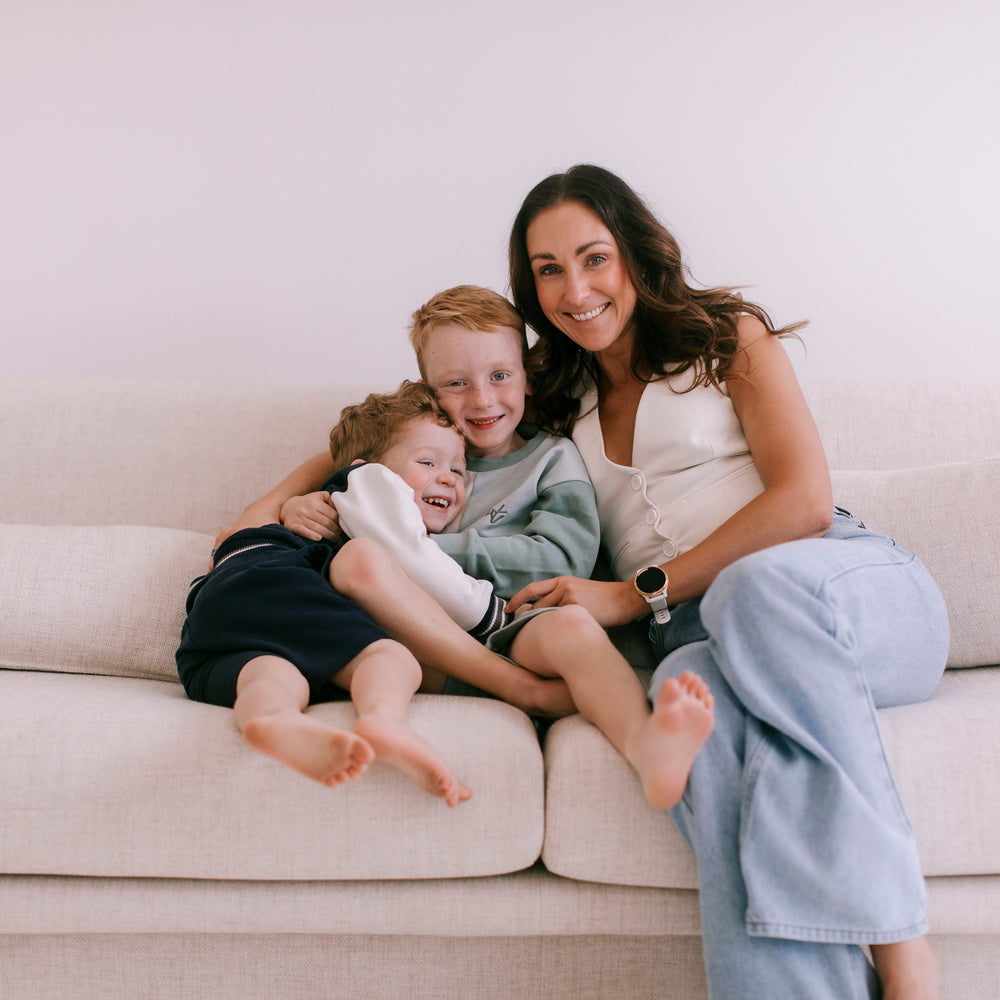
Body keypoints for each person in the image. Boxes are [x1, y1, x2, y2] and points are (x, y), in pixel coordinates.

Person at [502, 164, 950, 1000]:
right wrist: (297, 493)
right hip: (706, 636)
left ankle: (903, 947)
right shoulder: (549, 400)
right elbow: (422, 412)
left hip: (844, 595)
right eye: (549, 269)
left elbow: (806, 501)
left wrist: (633, 593)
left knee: (752, 591)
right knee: (687, 697)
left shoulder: (723, 337)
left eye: (594, 257)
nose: (577, 288)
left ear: (634, 254)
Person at [227, 287, 716, 809]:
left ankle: (647, 749)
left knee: (572, 626)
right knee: (358, 565)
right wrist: (299, 506)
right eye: (456, 384)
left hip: (512, 622)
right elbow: (344, 501)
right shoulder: (413, 451)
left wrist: (424, 549)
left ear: (526, 375)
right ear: (427, 391)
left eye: (500, 376)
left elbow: (562, 560)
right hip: (406, 636)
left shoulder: (553, 459)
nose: (482, 400)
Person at [176, 381, 549, 806]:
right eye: (428, 461)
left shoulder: (336, 500)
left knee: (271, 675)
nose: (447, 477)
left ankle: (271, 718)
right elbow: (413, 558)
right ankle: (383, 721)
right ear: (368, 466)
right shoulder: (370, 482)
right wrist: (495, 616)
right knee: (390, 657)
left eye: (459, 471)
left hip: (210, 628)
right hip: (275, 576)